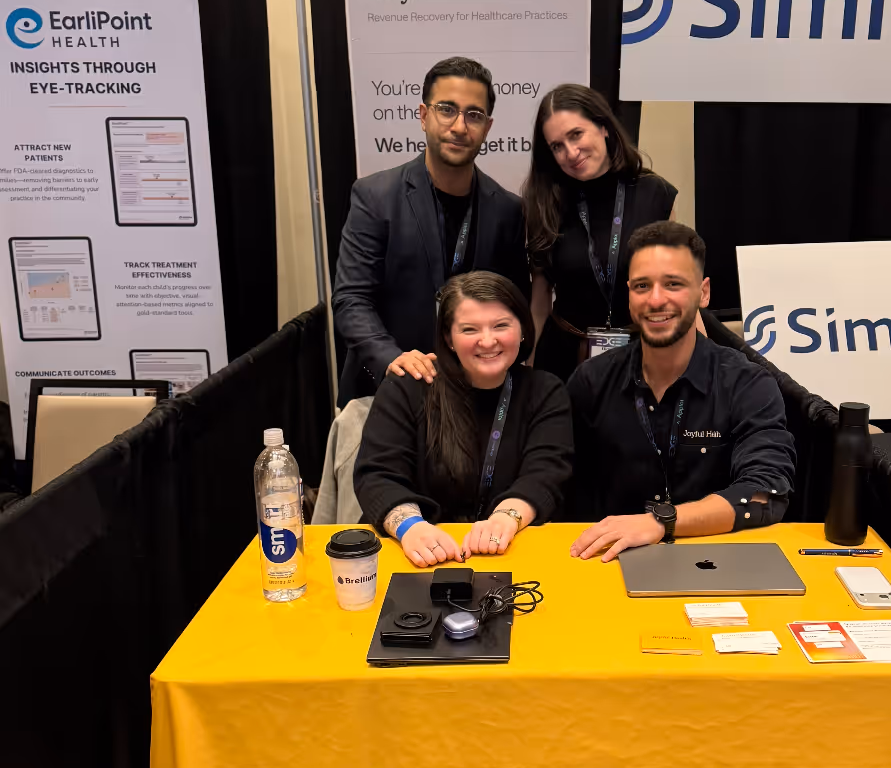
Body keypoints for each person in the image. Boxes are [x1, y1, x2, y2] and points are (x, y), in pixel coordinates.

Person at [567, 221, 795, 562]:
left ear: (703, 293)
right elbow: (556, 477)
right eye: (642, 285)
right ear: (629, 292)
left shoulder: (747, 384)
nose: (656, 299)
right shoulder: (591, 381)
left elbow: (765, 493)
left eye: (673, 284)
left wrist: (662, 522)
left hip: (718, 561)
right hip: (606, 562)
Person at [332, 56, 530, 404]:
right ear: (424, 116)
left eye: (474, 115)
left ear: (487, 126)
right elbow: (351, 300)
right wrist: (391, 358)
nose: (459, 126)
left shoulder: (508, 210)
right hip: (387, 391)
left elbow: (514, 305)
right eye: (447, 109)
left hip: (473, 396)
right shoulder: (374, 197)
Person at [355, 271, 573, 568]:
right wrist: (410, 528)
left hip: (512, 551)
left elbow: (546, 473)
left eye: (501, 326)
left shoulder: (546, 391)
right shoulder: (409, 385)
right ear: (449, 337)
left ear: (522, 329)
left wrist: (506, 518)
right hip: (415, 555)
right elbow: (377, 474)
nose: (487, 341)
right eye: (470, 329)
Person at [523, 84, 678, 381]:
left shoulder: (654, 194)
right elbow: (539, 299)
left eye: (576, 134)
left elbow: (677, 287)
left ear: (604, 127)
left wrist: (702, 360)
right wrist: (526, 373)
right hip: (563, 360)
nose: (571, 152)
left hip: (641, 356)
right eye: (557, 146)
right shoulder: (544, 202)